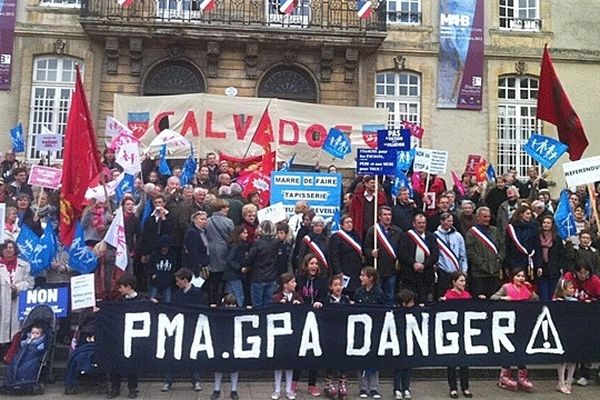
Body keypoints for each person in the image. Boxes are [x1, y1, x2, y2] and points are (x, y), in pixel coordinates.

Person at [491, 267, 539, 392]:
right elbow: (492, 298)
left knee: (522, 348)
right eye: (518, 276)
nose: (521, 279)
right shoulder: (506, 287)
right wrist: (503, 298)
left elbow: (536, 300)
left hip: (523, 323)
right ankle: (505, 375)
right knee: (509, 348)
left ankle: (522, 375)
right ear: (513, 277)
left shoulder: (526, 288)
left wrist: (531, 289)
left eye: (523, 276)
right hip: (508, 324)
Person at [108, 274, 149, 399]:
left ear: (128, 287)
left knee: (132, 363)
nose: (119, 290)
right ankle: (115, 388)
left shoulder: (142, 300)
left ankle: (133, 388)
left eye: (121, 287)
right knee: (116, 362)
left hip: (134, 338)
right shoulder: (119, 301)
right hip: (120, 336)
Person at [293, 254, 328, 397]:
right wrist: (296, 300)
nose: (314, 266)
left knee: (314, 353)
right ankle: (294, 382)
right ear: (306, 265)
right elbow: (295, 293)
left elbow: (325, 296)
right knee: (300, 352)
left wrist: (321, 302)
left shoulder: (322, 280)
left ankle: (312, 384)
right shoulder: (300, 279)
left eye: (316, 264)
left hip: (317, 319)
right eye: (311, 263)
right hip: (302, 319)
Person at [441, 272, 473, 399]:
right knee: (452, 362)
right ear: (454, 282)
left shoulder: (467, 295)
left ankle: (465, 387)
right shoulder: (448, 295)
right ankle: (453, 388)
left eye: (464, 281)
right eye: (460, 281)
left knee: (465, 362)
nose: (463, 283)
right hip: (452, 333)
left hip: (465, 332)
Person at [353, 267, 384, 399]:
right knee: (362, 358)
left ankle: (374, 387)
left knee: (374, 358)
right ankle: (363, 387)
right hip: (361, 329)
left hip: (374, 329)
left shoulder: (378, 293)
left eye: (363, 275)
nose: (360, 278)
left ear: (371, 278)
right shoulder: (358, 292)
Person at [271, 272, 303, 400]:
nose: (295, 284)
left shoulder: (298, 296)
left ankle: (289, 389)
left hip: (293, 333)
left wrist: (299, 305)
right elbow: (271, 312)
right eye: (292, 282)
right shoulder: (276, 297)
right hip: (279, 334)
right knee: (278, 363)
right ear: (285, 284)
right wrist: (279, 304)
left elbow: (303, 311)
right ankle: (277, 389)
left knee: (290, 362)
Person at [364, 206, 402, 306]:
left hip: (391, 268)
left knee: (390, 295)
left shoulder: (397, 231)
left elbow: (401, 249)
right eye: (385, 215)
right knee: (378, 295)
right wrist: (371, 253)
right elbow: (365, 249)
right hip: (377, 269)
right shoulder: (373, 230)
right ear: (380, 216)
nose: (387, 217)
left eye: (389, 215)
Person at [399, 213, 439, 305]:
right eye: (419, 223)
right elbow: (402, 253)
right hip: (410, 273)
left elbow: (435, 255)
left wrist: (424, 265)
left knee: (424, 300)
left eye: (423, 223)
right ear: (414, 224)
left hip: (426, 274)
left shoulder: (431, 237)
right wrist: (413, 263)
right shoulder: (407, 236)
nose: (421, 225)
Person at [465, 207, 504, 299]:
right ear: (478, 217)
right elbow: (470, 251)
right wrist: (482, 264)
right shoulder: (472, 233)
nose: (487, 219)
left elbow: (502, 247)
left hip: (494, 271)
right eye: (484, 217)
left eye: (489, 217)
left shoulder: (495, 231)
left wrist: (499, 260)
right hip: (479, 273)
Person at [323, 274, 351, 400]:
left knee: (343, 359)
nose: (338, 287)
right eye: (335, 285)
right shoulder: (327, 300)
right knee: (330, 358)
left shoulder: (346, 300)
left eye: (340, 285)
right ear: (330, 287)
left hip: (344, 333)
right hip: (330, 333)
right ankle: (328, 383)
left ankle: (343, 382)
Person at [0, 240, 34, 345]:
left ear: (15, 250)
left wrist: (18, 287)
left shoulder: (24, 265)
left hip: (17, 299)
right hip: (2, 299)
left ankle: (13, 349)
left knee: (16, 326)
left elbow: (30, 283)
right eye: (6, 248)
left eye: (11, 247)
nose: (8, 250)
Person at [211, 294, 240, 400]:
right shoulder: (220, 313)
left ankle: (234, 390)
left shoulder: (239, 313)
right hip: (221, 341)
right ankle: (216, 389)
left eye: (233, 305)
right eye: (229, 305)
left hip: (235, 342)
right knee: (219, 366)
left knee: (234, 367)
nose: (231, 307)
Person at [206, 199, 234, 305]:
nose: (227, 209)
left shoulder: (208, 221)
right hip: (223, 249)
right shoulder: (228, 222)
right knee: (222, 277)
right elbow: (232, 237)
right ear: (220, 208)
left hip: (210, 249)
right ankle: (219, 300)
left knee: (212, 277)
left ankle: (211, 300)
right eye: (225, 207)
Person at [328, 215, 364, 298]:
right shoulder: (337, 237)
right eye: (347, 222)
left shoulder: (356, 235)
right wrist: (338, 271)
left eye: (351, 222)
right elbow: (334, 256)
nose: (349, 224)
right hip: (344, 268)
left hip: (355, 269)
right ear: (342, 225)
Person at [245, 220, 279, 307]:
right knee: (268, 305)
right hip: (272, 277)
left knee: (257, 306)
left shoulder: (258, 244)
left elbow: (248, 260)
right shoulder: (276, 243)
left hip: (258, 277)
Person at [434, 213, 468, 300]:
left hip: (456, 272)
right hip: (442, 271)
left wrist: (464, 270)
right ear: (442, 221)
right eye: (448, 221)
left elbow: (463, 255)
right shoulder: (434, 236)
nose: (450, 223)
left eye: (451, 221)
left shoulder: (458, 236)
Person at [504, 205, 542, 281]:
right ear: (521, 214)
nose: (529, 216)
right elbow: (508, 246)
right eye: (527, 214)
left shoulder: (534, 227)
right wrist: (506, 265)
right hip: (515, 260)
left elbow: (537, 246)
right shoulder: (512, 228)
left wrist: (539, 265)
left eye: (530, 214)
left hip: (530, 260)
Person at [2, 323, 46, 388]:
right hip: (23, 355)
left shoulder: (41, 342)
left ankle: (26, 380)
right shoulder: (27, 340)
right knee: (15, 363)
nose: (34, 335)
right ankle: (12, 380)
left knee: (29, 366)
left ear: (41, 335)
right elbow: (22, 345)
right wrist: (29, 341)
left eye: (37, 334)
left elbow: (40, 350)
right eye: (33, 333)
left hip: (33, 356)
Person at [554, 279, 577, 394]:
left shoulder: (576, 301)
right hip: (562, 332)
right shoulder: (558, 301)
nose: (573, 290)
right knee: (562, 359)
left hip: (573, 332)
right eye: (570, 288)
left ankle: (569, 382)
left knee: (573, 359)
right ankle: (561, 382)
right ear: (563, 290)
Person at [349, 175, 387, 240]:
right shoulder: (356, 198)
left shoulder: (381, 198)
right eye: (372, 183)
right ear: (365, 184)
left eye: (376, 183)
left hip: (376, 232)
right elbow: (352, 213)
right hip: (360, 231)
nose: (374, 185)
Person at [393, 289, 416, 400]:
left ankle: (406, 388)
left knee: (407, 368)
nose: (413, 304)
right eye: (411, 302)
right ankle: (397, 389)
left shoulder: (414, 312)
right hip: (398, 344)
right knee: (398, 368)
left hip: (409, 344)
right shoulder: (395, 313)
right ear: (404, 303)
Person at [537, 216, 564, 301]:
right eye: (544, 223)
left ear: (552, 225)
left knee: (551, 295)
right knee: (543, 295)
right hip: (541, 269)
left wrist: (558, 266)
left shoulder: (557, 239)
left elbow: (561, 255)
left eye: (548, 223)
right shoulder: (537, 237)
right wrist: (538, 265)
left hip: (553, 270)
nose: (546, 225)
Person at [146, 234, 177, 303]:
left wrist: (171, 277)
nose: (165, 248)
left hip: (167, 281)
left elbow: (174, 267)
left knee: (168, 301)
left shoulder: (172, 255)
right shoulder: (154, 255)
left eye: (167, 246)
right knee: (152, 300)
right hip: (155, 281)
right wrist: (153, 274)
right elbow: (149, 266)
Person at [225, 225, 250, 307]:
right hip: (235, 275)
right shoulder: (237, 246)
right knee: (239, 295)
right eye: (244, 233)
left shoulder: (235, 244)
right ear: (239, 234)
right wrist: (240, 268)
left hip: (230, 274)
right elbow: (229, 259)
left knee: (230, 295)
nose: (247, 235)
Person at [183, 211, 210, 277]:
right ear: (194, 220)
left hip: (203, 263)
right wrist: (196, 268)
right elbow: (192, 252)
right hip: (195, 265)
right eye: (202, 219)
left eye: (205, 219)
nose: (204, 221)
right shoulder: (192, 232)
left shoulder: (204, 231)